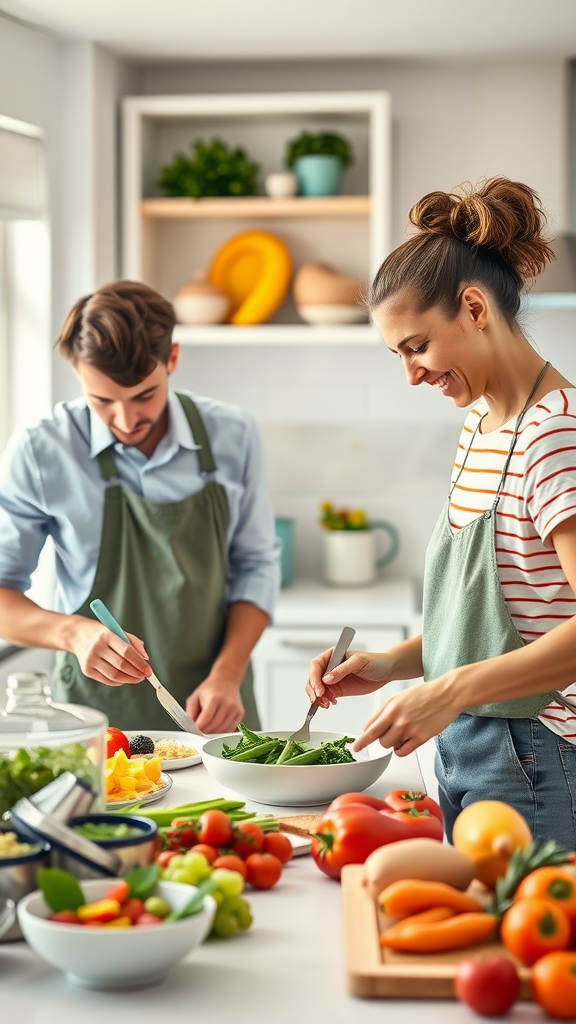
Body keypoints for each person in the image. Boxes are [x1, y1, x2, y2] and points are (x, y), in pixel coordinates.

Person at [307, 177, 576, 849]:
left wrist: (449, 691)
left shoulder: (556, 433)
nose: (411, 374)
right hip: (469, 747)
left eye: (417, 346)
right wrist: (391, 663)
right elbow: (497, 621)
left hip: (539, 753)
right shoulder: (482, 425)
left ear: (475, 308)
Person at [0, 280, 280, 732]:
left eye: (145, 395)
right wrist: (73, 633)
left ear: (172, 359)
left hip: (214, 707)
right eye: (102, 401)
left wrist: (227, 674)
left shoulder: (233, 435)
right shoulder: (39, 451)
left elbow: (256, 568)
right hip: (93, 718)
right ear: (77, 375)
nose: (126, 421)